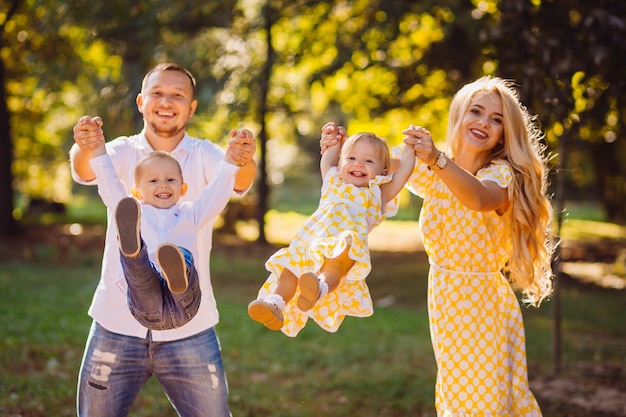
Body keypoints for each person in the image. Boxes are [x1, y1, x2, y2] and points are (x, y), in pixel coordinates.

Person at [70, 62, 256, 417]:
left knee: (179, 266)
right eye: (157, 93)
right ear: (141, 102)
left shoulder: (202, 156)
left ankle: (173, 268)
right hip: (116, 322)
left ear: (191, 106)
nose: (166, 101)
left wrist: (238, 158)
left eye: (177, 95)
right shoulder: (124, 149)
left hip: (190, 329)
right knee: (137, 263)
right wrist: (89, 146)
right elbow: (94, 171)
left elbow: (229, 185)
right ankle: (134, 247)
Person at [402, 76, 554, 416]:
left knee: (480, 403)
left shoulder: (500, 175)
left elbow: (478, 198)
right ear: (459, 114)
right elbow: (379, 167)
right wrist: (341, 148)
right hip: (444, 299)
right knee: (458, 399)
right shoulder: (435, 170)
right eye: (477, 111)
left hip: (481, 304)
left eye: (496, 119)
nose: (484, 122)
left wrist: (438, 159)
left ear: (504, 133)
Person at [248, 123, 416, 337]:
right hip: (310, 241)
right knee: (290, 268)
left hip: (346, 244)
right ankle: (276, 303)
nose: (359, 164)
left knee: (335, 265)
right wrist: (333, 139)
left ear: (382, 172)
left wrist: (410, 147)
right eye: (352, 158)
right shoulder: (333, 180)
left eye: (369, 161)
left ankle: (319, 288)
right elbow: (328, 158)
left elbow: (403, 173)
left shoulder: (377, 194)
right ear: (342, 162)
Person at [90, 142, 240, 330]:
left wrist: (230, 162)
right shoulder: (135, 212)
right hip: (147, 306)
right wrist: (97, 150)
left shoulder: (191, 213)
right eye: (153, 181)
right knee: (140, 274)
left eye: (170, 180)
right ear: (137, 192)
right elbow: (109, 184)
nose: (163, 185)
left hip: (184, 304)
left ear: (183, 189)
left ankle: (177, 271)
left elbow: (215, 194)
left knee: (183, 255)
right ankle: (133, 252)